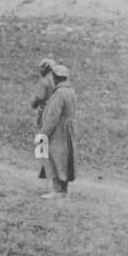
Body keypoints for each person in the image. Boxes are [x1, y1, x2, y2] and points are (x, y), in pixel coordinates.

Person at [38, 63, 76, 198]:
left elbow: (53, 116)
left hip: (57, 131)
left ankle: (57, 190)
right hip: (67, 130)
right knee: (64, 159)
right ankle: (62, 189)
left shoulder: (59, 93)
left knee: (54, 158)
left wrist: (43, 133)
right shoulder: (70, 91)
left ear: (56, 78)